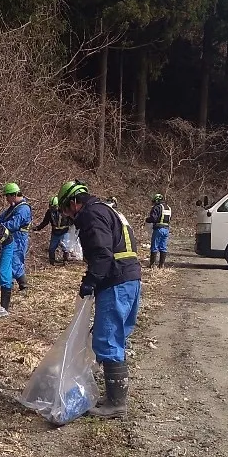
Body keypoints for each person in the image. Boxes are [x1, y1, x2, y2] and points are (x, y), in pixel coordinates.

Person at [57, 180, 141, 419]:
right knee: (115, 337)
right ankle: (114, 398)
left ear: (74, 203)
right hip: (129, 279)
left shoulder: (92, 216)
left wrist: (90, 281)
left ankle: (116, 404)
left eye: (65, 210)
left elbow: (103, 254)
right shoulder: (107, 209)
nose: (66, 215)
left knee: (107, 338)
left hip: (116, 281)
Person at [0, 182, 33, 292]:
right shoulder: (13, 207)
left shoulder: (23, 209)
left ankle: (23, 285)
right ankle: (9, 283)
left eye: (7, 196)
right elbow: (1, 218)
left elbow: (14, 224)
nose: (6, 199)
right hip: (12, 238)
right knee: (8, 261)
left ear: (13, 195)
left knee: (15, 262)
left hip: (19, 238)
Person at [34, 196, 74, 263]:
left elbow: (72, 219)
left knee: (65, 247)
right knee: (52, 248)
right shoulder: (49, 212)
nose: (52, 208)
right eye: (51, 206)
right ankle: (52, 261)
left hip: (65, 231)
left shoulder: (64, 211)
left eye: (54, 207)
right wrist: (38, 228)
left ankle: (66, 260)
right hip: (55, 232)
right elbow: (45, 222)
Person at [146, 193, 172, 268]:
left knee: (154, 246)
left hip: (158, 229)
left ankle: (152, 264)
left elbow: (153, 218)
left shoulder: (157, 207)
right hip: (166, 229)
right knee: (163, 247)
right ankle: (161, 265)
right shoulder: (168, 208)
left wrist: (147, 220)